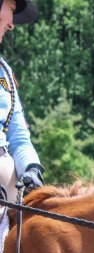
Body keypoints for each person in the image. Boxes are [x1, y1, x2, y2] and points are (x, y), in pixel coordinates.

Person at [0, 0, 43, 205]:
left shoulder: (5, 73)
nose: (11, 25)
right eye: (10, 10)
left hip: (6, 191)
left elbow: (18, 138)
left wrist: (31, 168)